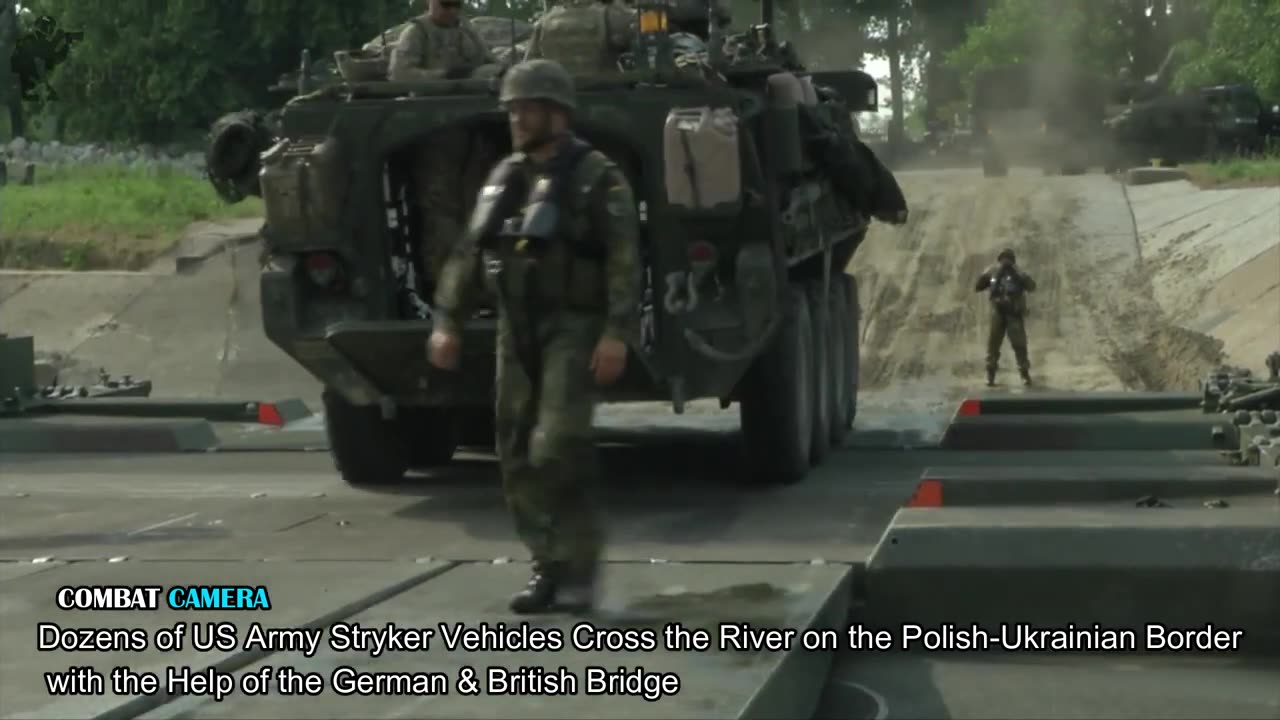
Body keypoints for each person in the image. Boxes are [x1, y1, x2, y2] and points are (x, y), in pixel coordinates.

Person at [427, 59, 641, 614]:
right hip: (514, 329)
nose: (517, 117)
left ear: (557, 112)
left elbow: (623, 259)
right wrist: (448, 318)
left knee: (557, 444)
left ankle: (580, 562)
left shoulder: (597, 177)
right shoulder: (505, 176)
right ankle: (546, 564)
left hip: (573, 325)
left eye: (528, 107)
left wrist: (616, 332)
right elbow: (470, 253)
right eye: (513, 108)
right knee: (516, 451)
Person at [388, 0, 499, 285]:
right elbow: (400, 75)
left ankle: (480, 286)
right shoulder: (416, 33)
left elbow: (491, 64)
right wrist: (447, 77)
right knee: (440, 217)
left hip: (472, 134)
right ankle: (444, 287)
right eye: (445, 5)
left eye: (456, 5)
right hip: (434, 135)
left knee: (479, 210)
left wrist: (485, 74)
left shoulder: (468, 31)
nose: (451, 11)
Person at [975, 248, 1036, 386]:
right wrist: (987, 277)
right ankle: (990, 374)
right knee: (993, 345)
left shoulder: (1018, 273)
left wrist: (1020, 275)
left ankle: (1024, 373)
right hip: (998, 313)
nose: (1006, 261)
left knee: (1019, 345)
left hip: (1014, 313)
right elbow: (978, 286)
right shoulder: (993, 272)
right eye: (1004, 258)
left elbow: (1032, 286)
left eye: (1008, 258)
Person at [523, 0, 633, 74]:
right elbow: (638, 43)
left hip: (558, 97)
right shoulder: (610, 15)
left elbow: (529, 66)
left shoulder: (545, 21)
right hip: (607, 96)